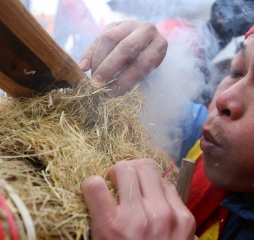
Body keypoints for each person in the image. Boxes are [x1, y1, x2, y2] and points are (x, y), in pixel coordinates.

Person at [80, 21, 254, 239]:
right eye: (236, 72)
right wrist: (141, 62)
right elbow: (168, 114)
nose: (223, 99)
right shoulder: (201, 138)